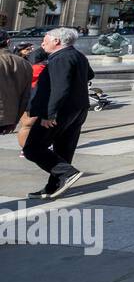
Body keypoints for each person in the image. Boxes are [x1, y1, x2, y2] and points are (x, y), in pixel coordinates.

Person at [23, 28, 94, 199]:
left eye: (45, 40)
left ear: (56, 41)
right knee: (64, 149)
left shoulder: (60, 58)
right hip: (78, 108)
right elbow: (89, 75)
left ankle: (67, 173)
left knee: (32, 148)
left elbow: (60, 88)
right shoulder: (77, 55)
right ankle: (54, 186)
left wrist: (49, 114)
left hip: (59, 111)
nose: (42, 44)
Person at [0, 30, 34, 136]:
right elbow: (25, 96)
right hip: (9, 116)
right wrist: (16, 119)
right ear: (8, 42)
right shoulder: (25, 64)